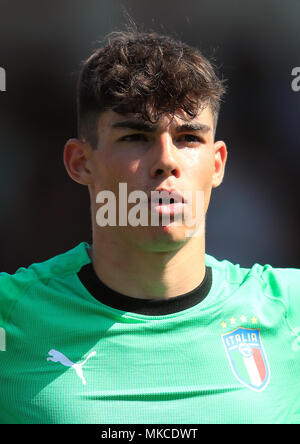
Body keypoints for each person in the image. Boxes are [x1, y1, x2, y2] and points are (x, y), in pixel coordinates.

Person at [0, 29, 299, 425]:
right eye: (137, 136)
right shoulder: (11, 318)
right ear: (79, 162)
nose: (166, 160)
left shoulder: (289, 312)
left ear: (216, 164)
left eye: (189, 138)